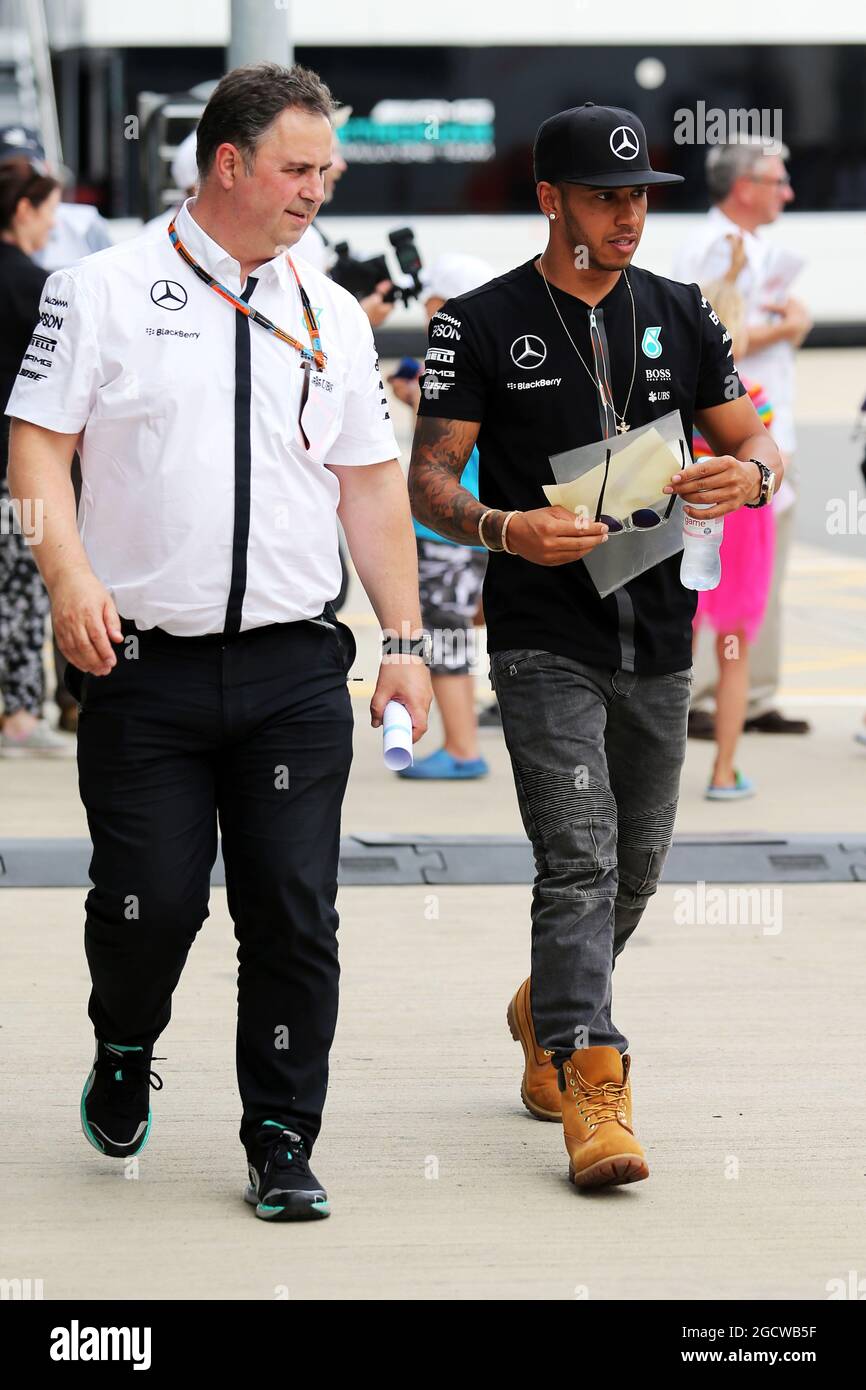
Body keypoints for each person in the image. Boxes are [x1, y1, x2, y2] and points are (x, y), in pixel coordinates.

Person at [7, 62, 432, 1222]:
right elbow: (36, 449)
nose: (318, 189)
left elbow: (368, 485)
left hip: (297, 663)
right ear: (229, 164)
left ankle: (281, 1135)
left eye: (326, 169)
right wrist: (68, 573)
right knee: (149, 902)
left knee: (292, 907)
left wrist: (404, 638)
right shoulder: (98, 290)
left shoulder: (331, 311)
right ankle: (123, 1036)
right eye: (299, 168)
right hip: (140, 663)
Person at [408, 102, 782, 1189]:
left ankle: (543, 1005)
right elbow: (428, 479)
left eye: (638, 197)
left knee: (635, 866)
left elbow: (745, 432)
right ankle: (590, 1080)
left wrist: (750, 474)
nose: (626, 216)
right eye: (604, 197)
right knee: (578, 858)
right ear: (549, 200)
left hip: (660, 629)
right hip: (541, 634)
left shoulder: (678, 309)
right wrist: (502, 525)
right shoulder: (474, 321)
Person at [672, 137, 811, 739]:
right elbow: (709, 344)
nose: (787, 191)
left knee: (759, 578)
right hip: (733, 434)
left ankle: (751, 695)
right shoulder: (707, 250)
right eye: (777, 180)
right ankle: (706, 695)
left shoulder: (756, 249)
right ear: (744, 186)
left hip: (769, 428)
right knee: (716, 576)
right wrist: (785, 330)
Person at [390, 254, 495, 778]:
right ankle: (462, 739)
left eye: (433, 306)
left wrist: (414, 395)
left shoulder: (452, 360)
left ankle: (461, 749)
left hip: (441, 526)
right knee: (457, 628)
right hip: (481, 526)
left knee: (443, 634)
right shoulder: (499, 354)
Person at [690, 247, 776, 798]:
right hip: (740, 532)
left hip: (689, 524)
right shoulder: (753, 403)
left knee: (670, 656)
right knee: (734, 655)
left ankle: (651, 773)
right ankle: (724, 771)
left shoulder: (677, 397)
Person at [0, 157, 67, 756]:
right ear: (23, 210)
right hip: (12, 466)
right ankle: (19, 714)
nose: (52, 225)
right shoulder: (33, 286)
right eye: (48, 211)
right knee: (21, 587)